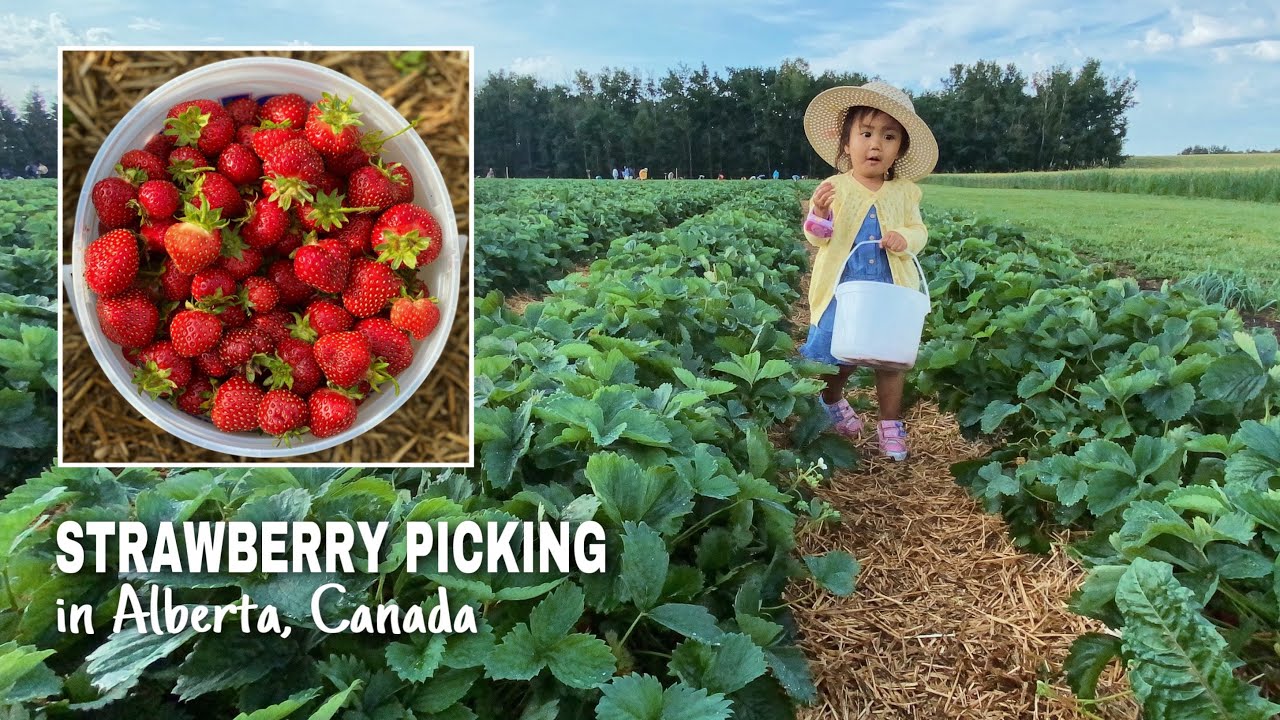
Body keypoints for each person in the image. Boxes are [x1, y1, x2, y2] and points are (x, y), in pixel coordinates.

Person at [798, 80, 938, 461]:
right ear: (847, 143)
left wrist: (904, 239)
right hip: (843, 287)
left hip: (891, 287)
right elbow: (817, 238)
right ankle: (832, 399)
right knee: (839, 356)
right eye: (866, 133)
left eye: (889, 137)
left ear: (899, 150)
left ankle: (889, 425)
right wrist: (821, 215)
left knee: (891, 361)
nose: (875, 144)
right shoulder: (833, 187)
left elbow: (919, 230)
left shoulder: (905, 192)